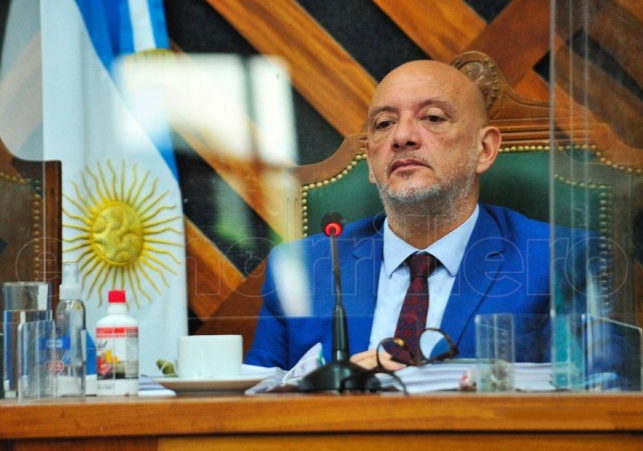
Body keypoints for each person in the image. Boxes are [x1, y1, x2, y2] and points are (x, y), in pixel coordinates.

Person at [244, 60, 562, 371]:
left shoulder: (557, 260)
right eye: (385, 123)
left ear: (484, 149)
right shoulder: (300, 269)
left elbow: (585, 385)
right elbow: (260, 395)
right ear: (370, 162)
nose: (402, 136)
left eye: (433, 117)